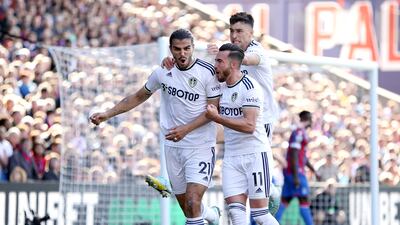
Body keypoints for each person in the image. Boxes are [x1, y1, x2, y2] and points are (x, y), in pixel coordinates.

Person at [90, 29, 221, 225]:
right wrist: (108, 114)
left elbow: (214, 110)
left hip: (200, 146)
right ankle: (212, 215)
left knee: (193, 202)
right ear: (170, 50)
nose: (182, 53)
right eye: (177, 49)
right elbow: (137, 96)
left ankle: (207, 215)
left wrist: (186, 129)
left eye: (186, 48)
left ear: (193, 48)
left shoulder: (207, 72)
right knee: (188, 208)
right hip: (173, 147)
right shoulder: (162, 72)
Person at [205, 43, 279, 225]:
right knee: (236, 216)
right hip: (231, 159)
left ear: (233, 65)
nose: (216, 65)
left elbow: (249, 126)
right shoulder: (218, 87)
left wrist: (218, 117)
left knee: (261, 215)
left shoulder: (249, 87)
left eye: (219, 62)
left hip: (255, 155)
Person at [275, 111, 319, 225]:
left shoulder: (301, 132)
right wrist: (295, 176)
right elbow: (294, 153)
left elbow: (302, 156)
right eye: (311, 118)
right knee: (303, 200)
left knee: (285, 200)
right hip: (296, 173)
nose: (312, 121)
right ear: (307, 118)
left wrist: (313, 170)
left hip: (293, 171)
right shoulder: (298, 133)